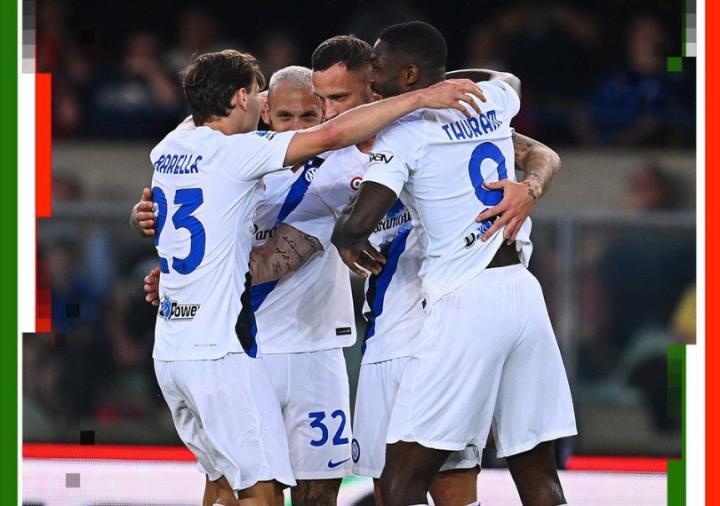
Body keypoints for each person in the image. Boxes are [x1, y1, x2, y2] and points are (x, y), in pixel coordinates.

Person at [142, 48, 484, 506]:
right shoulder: (245, 154)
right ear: (256, 103)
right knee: (247, 490)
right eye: (280, 111)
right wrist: (421, 96)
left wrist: (176, 268)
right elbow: (329, 136)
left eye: (311, 112)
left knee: (302, 490)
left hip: (289, 347)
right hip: (233, 350)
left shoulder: (172, 148)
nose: (297, 125)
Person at [331, 22, 576, 506]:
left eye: (378, 65)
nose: (369, 74)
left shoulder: (404, 134)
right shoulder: (490, 100)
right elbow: (507, 79)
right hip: (522, 293)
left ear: (409, 75)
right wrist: (444, 83)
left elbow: (357, 226)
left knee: (400, 481)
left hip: (465, 301)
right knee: (538, 474)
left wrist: (346, 238)